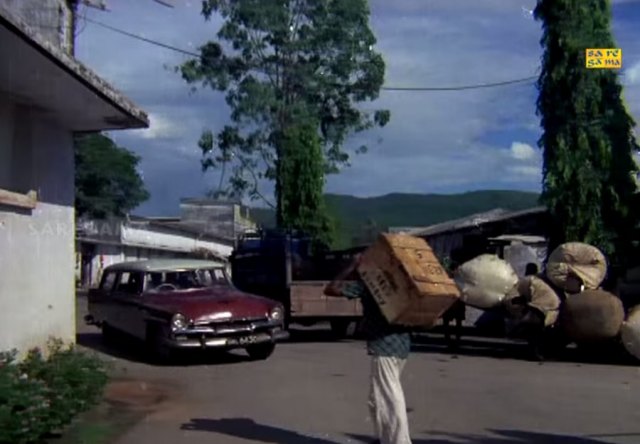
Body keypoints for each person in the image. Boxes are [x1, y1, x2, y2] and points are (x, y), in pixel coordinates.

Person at [325, 255, 412, 444]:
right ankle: (384, 438)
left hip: (384, 347)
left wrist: (350, 267)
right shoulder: (398, 283)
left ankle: (399, 441)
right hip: (402, 345)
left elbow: (331, 289)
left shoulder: (370, 286)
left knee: (390, 397)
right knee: (376, 398)